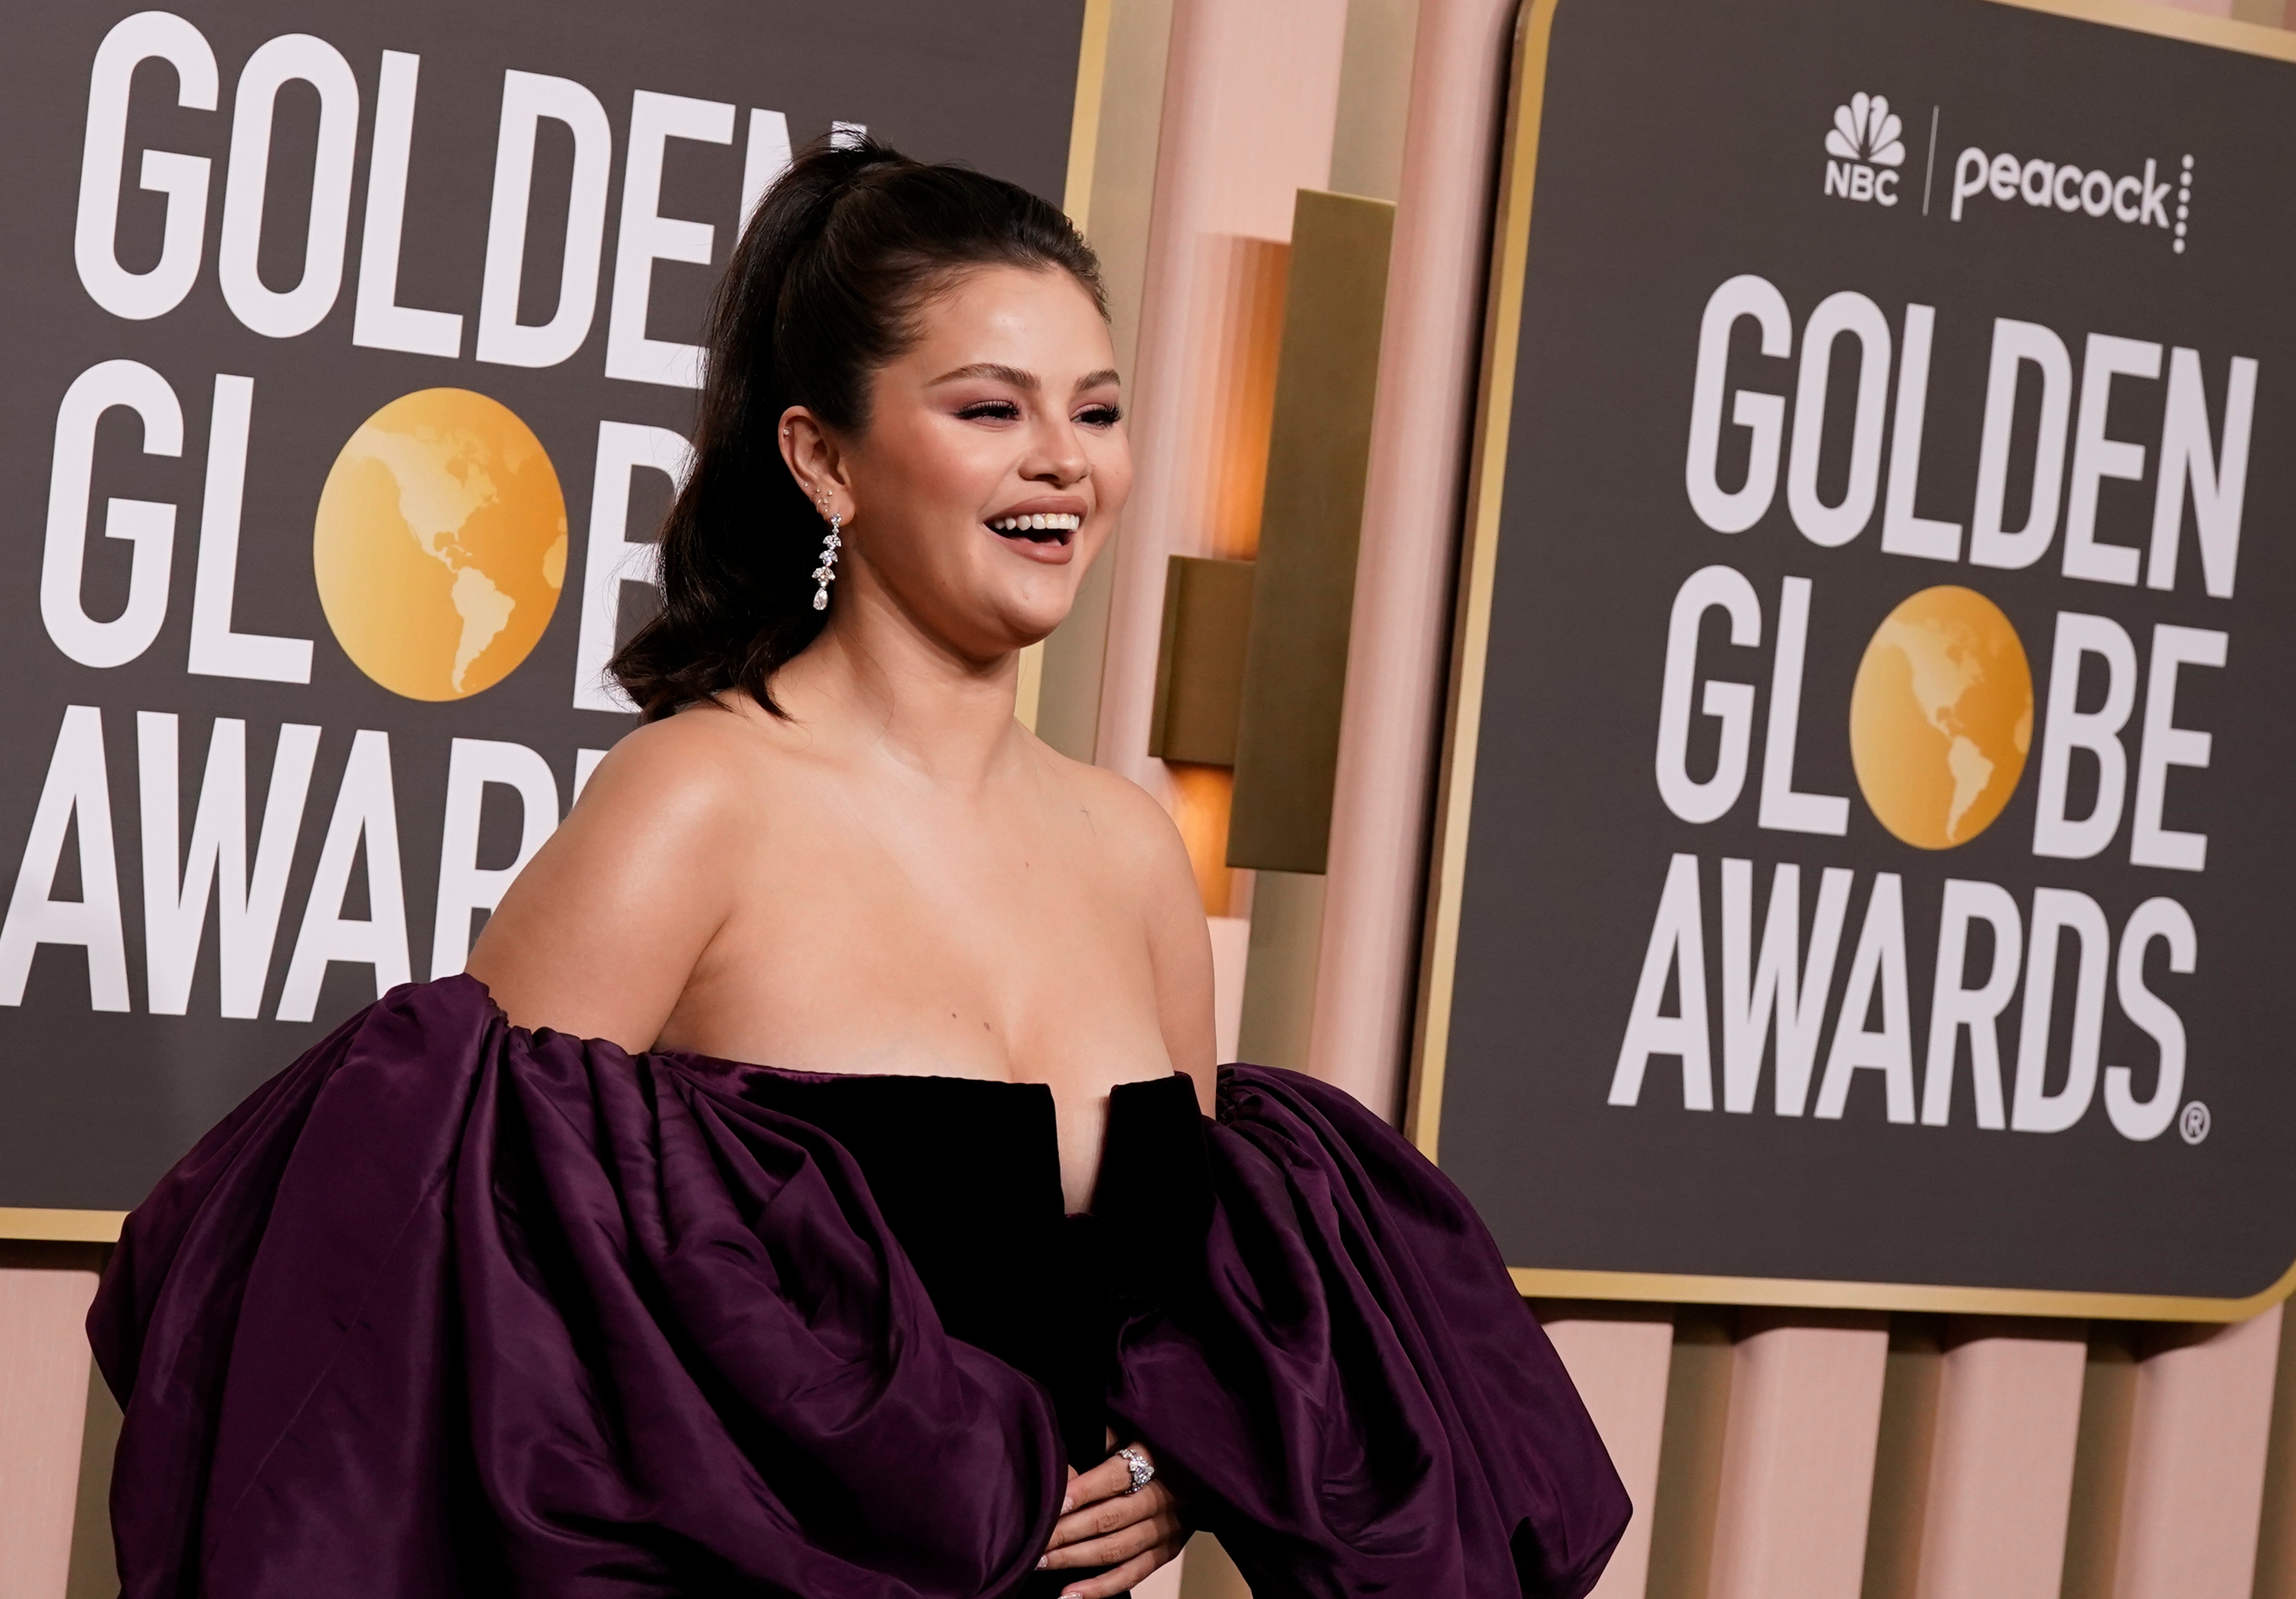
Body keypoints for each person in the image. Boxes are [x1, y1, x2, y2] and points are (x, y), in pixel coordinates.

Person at [88, 139, 1630, 1599]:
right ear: (824, 459)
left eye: (1096, 412)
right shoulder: (691, 805)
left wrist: (1184, 1459)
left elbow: (1200, 1311)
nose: (1062, 465)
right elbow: (441, 1320)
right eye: (988, 410)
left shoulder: (1132, 847)